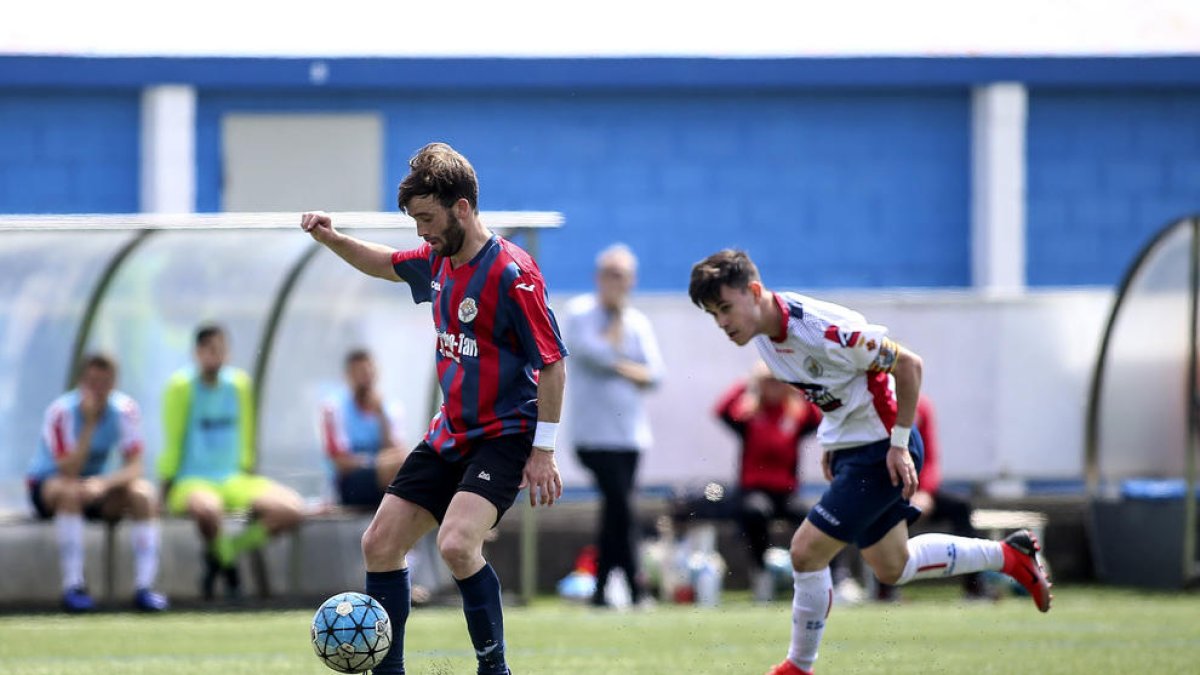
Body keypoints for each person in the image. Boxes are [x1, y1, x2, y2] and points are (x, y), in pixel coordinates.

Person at [687, 250, 1052, 675]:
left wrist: (898, 444)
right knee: (893, 566)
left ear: (754, 291)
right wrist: (833, 443)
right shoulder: (765, 338)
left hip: (881, 450)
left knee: (805, 553)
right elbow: (833, 386)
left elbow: (909, 367)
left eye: (726, 308)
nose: (722, 323)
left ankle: (798, 667)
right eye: (714, 315)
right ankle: (1009, 556)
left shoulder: (824, 329)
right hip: (853, 450)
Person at [300, 141, 568, 675]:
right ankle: (388, 670)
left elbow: (553, 363)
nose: (421, 231)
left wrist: (543, 451)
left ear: (461, 208)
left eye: (427, 218)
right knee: (378, 544)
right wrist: (328, 237)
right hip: (451, 432)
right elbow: (382, 264)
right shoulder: (436, 260)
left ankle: (495, 670)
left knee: (457, 543)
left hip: (504, 434)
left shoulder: (513, 274)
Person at [159, 323, 305, 600]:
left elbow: (247, 434)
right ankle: (230, 573)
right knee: (208, 510)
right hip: (192, 479)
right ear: (197, 352)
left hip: (233, 479)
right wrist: (166, 484)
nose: (216, 356)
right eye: (210, 350)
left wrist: (247, 471)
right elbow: (173, 437)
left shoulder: (238, 385)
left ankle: (223, 555)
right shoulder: (181, 387)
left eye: (221, 350)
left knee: (291, 510)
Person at [26, 353, 169, 612]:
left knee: (144, 494)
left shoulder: (124, 411)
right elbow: (69, 468)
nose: (98, 389)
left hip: (94, 487)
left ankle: (144, 587)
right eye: (92, 382)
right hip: (51, 485)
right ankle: (74, 586)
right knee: (68, 492)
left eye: (104, 382)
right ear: (81, 381)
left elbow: (135, 466)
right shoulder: (62, 413)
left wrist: (103, 484)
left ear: (114, 383)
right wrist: (90, 425)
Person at [563, 243, 664, 608]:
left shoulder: (640, 322)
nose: (614, 282)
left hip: (630, 436)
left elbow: (655, 376)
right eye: (609, 274)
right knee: (622, 506)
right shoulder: (579, 313)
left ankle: (603, 591)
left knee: (615, 510)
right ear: (598, 277)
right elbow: (595, 354)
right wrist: (625, 361)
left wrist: (623, 364)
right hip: (593, 435)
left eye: (621, 276)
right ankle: (636, 589)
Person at [714, 361, 821, 602]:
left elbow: (819, 415)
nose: (773, 386)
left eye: (777, 381)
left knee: (817, 516)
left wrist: (796, 381)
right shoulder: (749, 413)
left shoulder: (795, 414)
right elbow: (721, 410)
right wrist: (750, 382)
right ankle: (760, 570)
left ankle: (818, 574)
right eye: (768, 381)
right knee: (755, 511)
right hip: (754, 490)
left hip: (786, 493)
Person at [874, 393, 991, 601]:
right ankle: (885, 590)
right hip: (889, 489)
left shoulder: (922, 406)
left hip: (919, 489)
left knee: (960, 507)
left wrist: (925, 492)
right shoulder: (874, 404)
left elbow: (930, 456)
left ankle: (974, 587)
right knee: (884, 514)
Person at [320, 348, 409, 509]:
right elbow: (340, 461)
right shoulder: (335, 408)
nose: (365, 380)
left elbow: (397, 451)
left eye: (369, 373)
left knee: (406, 465)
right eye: (359, 373)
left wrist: (381, 417)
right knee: (395, 468)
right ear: (348, 376)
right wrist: (376, 463)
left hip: (383, 477)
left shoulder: (390, 409)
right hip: (350, 482)